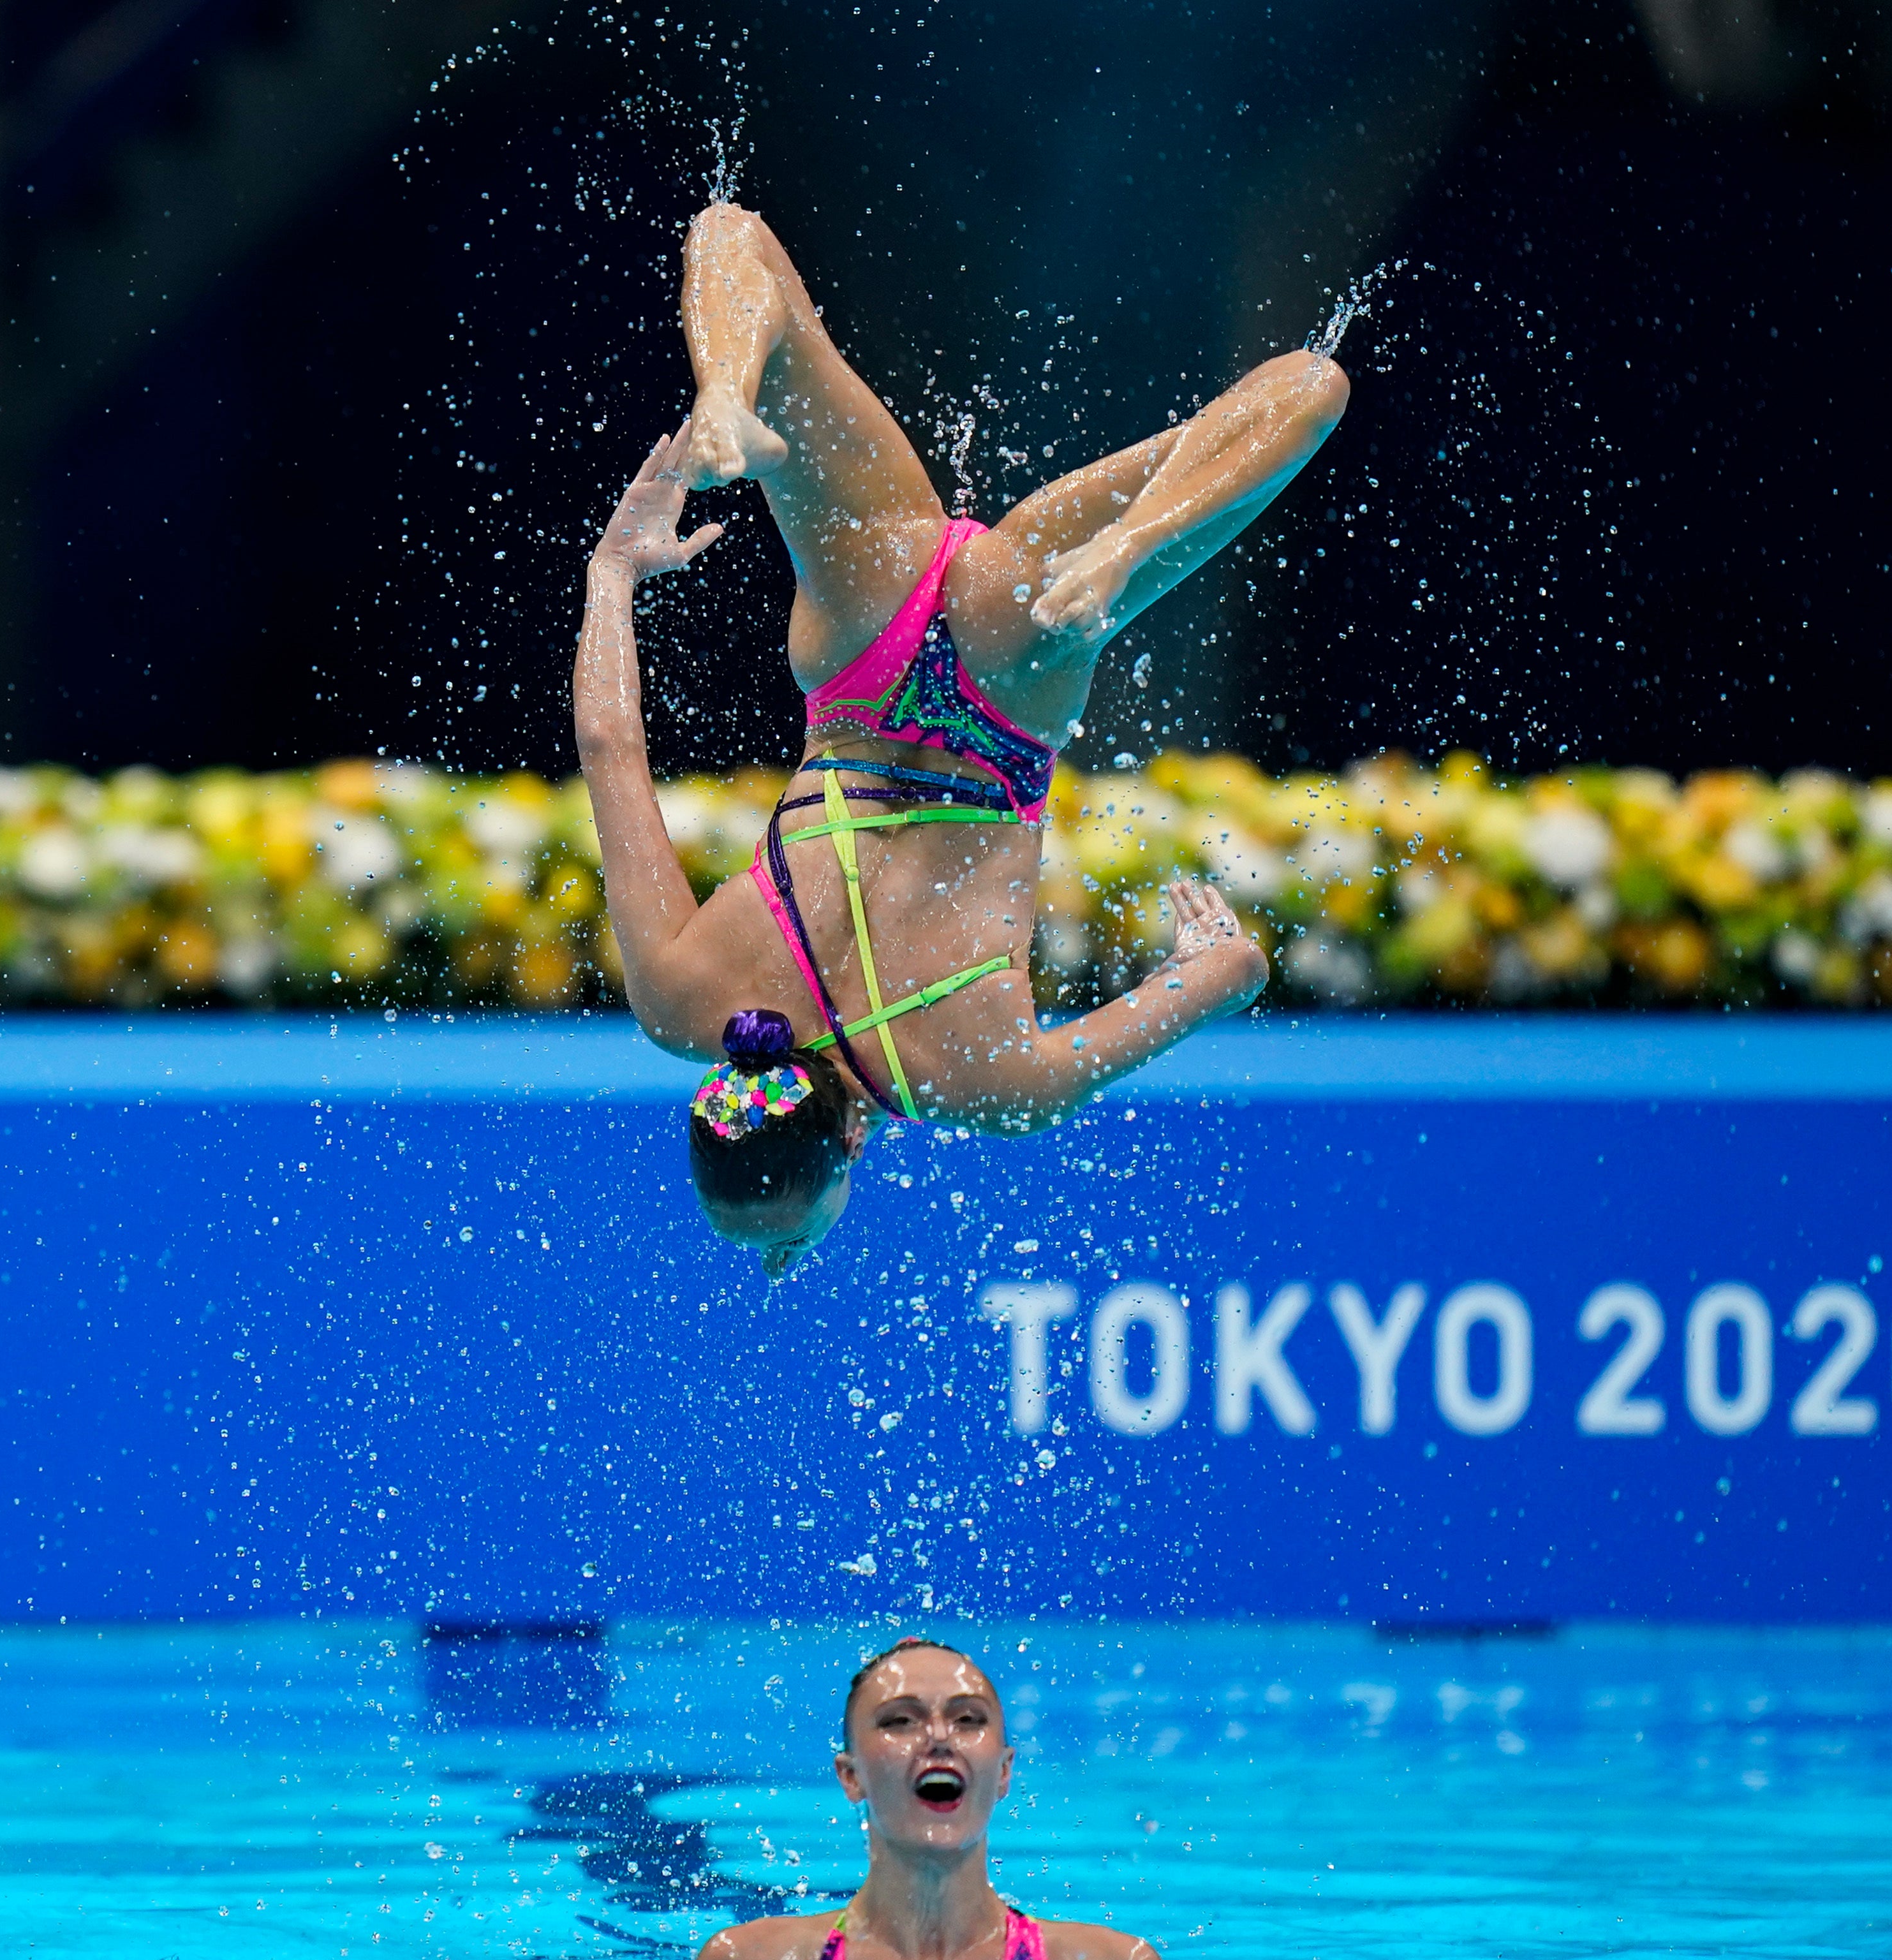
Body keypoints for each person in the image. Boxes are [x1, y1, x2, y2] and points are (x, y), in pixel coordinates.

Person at [573, 202, 1347, 1272]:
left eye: (786, 1238)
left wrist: (1207, 961)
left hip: (1008, 679)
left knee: (1310, 394)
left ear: (848, 1144)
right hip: (863, 648)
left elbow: (1236, 969)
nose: (778, 1264)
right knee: (728, 234)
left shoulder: (992, 1086)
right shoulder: (679, 1000)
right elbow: (614, 749)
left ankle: (1126, 553)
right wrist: (613, 574)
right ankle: (726, 401)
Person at [669, 1639, 1184, 1960]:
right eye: (900, 1720)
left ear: (1004, 1770)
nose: (939, 1736)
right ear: (850, 1776)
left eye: (968, 1719)